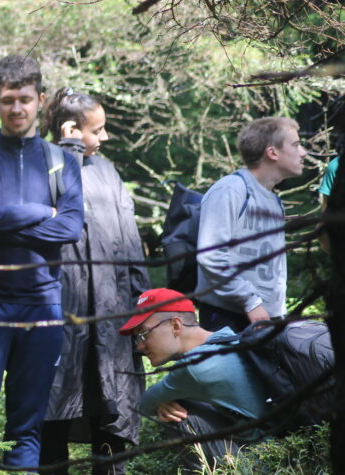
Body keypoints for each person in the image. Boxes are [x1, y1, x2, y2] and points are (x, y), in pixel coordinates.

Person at [0, 55, 84, 469]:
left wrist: (2, 218)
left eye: (25, 99)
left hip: (41, 305)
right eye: (8, 99)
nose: (16, 109)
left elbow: (70, 228)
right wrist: (41, 212)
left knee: (26, 430)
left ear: (40, 100)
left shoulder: (62, 161)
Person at [39, 89, 151, 475]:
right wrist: (69, 150)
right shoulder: (41, 164)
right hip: (60, 314)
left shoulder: (105, 168)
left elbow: (131, 239)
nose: (103, 138)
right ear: (70, 129)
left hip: (111, 314)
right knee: (52, 412)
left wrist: (143, 301)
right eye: (96, 130)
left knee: (112, 407)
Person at [119, 288, 269, 471]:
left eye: (143, 334)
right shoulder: (228, 338)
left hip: (263, 464)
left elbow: (143, 404)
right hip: (278, 449)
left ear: (175, 326)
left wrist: (163, 401)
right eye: (137, 339)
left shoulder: (194, 367)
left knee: (181, 416)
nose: (140, 346)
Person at [196, 117, 307, 332]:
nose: (303, 152)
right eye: (295, 145)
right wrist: (250, 301)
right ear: (272, 153)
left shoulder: (274, 201)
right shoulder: (231, 190)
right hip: (229, 317)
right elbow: (210, 255)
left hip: (264, 318)